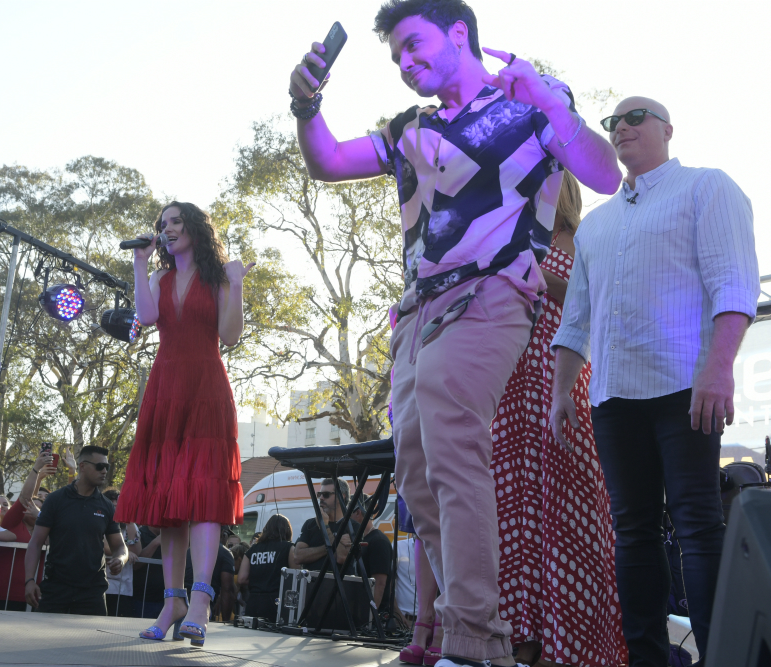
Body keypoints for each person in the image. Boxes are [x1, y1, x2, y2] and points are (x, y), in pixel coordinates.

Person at [288, 0, 622, 662]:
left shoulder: (528, 104)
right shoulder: (409, 128)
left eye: (415, 45)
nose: (406, 64)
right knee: (416, 470)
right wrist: (306, 107)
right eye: (396, 58)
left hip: (495, 291)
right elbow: (326, 160)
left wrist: (554, 106)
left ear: (459, 33)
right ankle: (474, 636)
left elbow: (605, 174)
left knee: (450, 436)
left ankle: (472, 641)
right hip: (418, 311)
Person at [550, 96, 759, 667]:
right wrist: (562, 391)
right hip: (614, 395)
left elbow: (734, 286)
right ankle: (646, 658)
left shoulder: (705, 188)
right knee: (633, 530)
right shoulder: (596, 225)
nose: (621, 126)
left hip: (683, 385)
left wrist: (717, 370)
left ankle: (725, 654)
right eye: (612, 121)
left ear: (668, 129)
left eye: (635, 116)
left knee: (697, 521)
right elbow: (577, 320)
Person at [492, 171, 626, 667]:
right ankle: (522, 637)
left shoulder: (586, 238)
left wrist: (537, 276)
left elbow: (596, 307)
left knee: (570, 519)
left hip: (565, 390)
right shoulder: (514, 239)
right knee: (515, 520)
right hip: (512, 393)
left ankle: (571, 646)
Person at [114, 201, 251, 647]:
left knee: (206, 495)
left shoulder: (216, 279)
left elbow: (230, 336)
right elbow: (148, 317)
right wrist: (139, 263)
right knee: (169, 500)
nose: (167, 229)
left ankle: (200, 599)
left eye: (175, 221)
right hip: (166, 388)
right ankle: (172, 601)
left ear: (194, 227)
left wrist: (236, 283)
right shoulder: (159, 276)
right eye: (163, 224)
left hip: (206, 387)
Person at [24, 445, 127, 616]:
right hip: (56, 587)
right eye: (100, 466)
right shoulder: (56, 499)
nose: (104, 471)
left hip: (92, 591)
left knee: (92, 641)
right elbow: (35, 542)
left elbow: (120, 547)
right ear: (82, 466)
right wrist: (29, 580)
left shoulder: (106, 505)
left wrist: (121, 559)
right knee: (43, 641)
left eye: (106, 467)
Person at [0, 451, 55, 611]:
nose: (35, 507)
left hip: (33, 597)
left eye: (40, 506)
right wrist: (36, 469)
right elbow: (25, 497)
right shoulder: (12, 524)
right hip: (1, 594)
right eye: (33, 504)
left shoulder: (48, 531)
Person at [238, 514, 298, 621]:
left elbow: (241, 578)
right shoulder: (289, 548)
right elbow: (296, 576)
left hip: (253, 601)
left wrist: (258, 579)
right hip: (276, 601)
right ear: (287, 530)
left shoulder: (252, 550)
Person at [294, 478, 357, 572]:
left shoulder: (352, 526)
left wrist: (325, 527)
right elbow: (298, 556)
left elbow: (341, 557)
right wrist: (335, 543)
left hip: (339, 584)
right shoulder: (310, 524)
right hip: (313, 584)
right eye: (319, 494)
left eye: (326, 494)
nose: (321, 498)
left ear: (341, 497)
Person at [101, 487, 143, 617]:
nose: (115, 509)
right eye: (112, 506)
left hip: (124, 589)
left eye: (119, 506)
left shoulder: (130, 525)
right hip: (104, 587)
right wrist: (124, 553)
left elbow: (137, 551)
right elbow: (107, 548)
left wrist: (129, 520)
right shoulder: (101, 522)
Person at [351, 500, 394, 613]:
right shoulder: (362, 540)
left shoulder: (378, 541)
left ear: (358, 513)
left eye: (348, 513)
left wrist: (369, 617)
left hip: (372, 618)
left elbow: (380, 583)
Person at [184, 540, 236, 622]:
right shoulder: (225, 553)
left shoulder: (190, 550)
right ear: (223, 534)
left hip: (184, 603)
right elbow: (227, 589)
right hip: (204, 607)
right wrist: (226, 621)